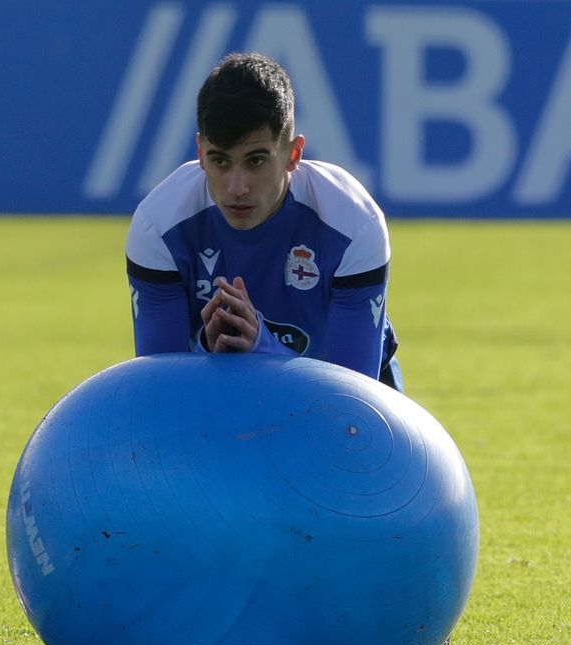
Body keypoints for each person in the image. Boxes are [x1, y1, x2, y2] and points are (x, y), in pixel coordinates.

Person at [126, 52, 402, 391]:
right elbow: (161, 393)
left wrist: (262, 348)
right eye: (220, 161)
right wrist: (209, 351)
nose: (236, 187)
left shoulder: (352, 224)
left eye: (255, 161)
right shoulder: (159, 226)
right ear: (200, 153)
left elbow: (352, 398)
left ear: (293, 155)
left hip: (340, 401)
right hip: (212, 396)